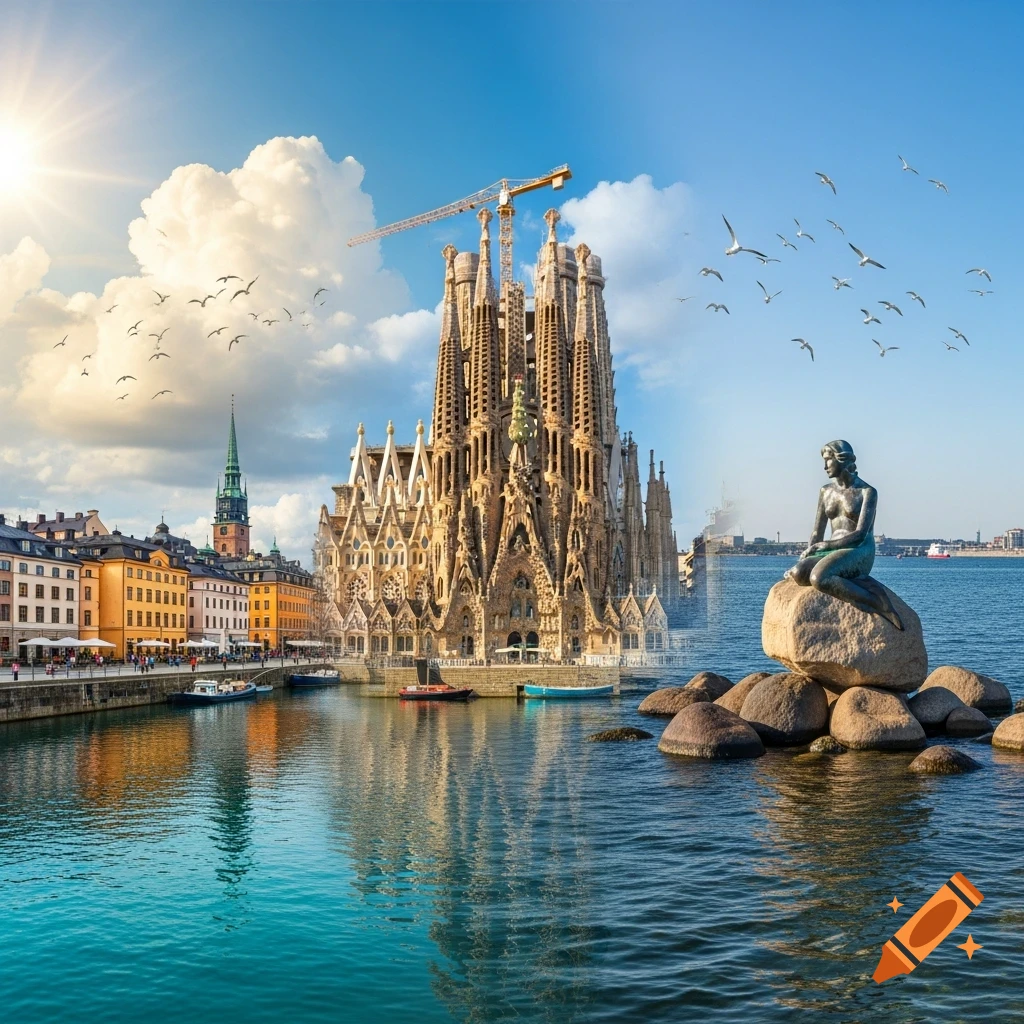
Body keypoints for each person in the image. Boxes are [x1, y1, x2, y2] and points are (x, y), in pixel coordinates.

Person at [785, 439, 903, 629]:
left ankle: (876, 600)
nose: (824, 466)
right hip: (831, 550)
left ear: (842, 460)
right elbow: (817, 532)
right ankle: (851, 582)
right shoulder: (825, 491)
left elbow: (861, 534)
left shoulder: (867, 492)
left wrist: (825, 546)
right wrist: (809, 553)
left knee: (818, 578)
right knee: (799, 573)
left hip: (858, 549)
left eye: (828, 460)